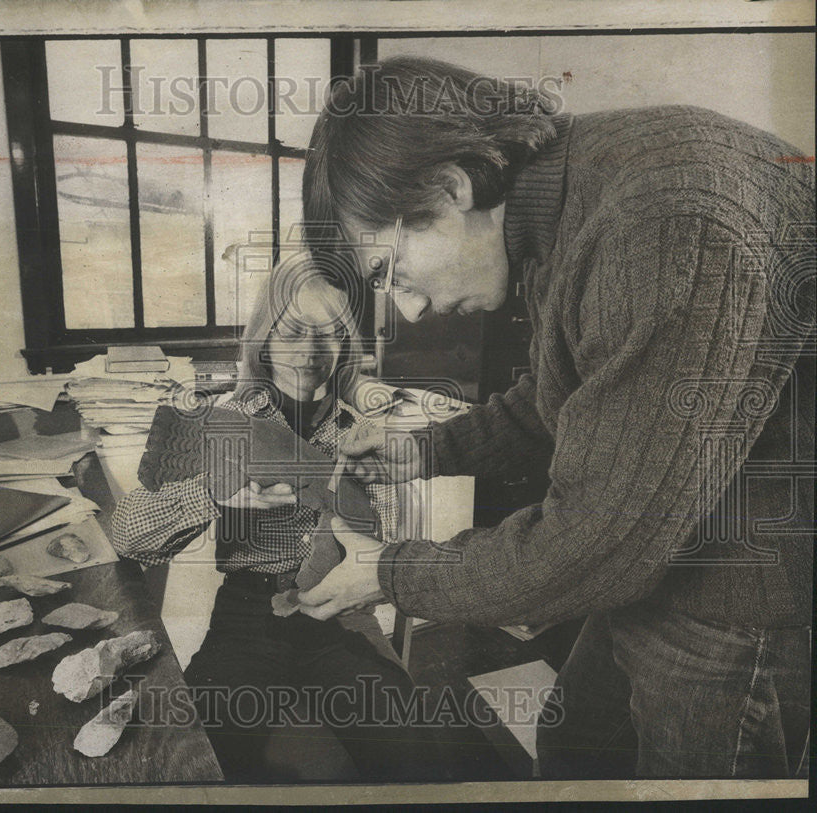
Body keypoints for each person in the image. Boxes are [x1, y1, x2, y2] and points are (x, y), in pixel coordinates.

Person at [295, 56, 815, 778]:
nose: (407, 308)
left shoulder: (662, 223)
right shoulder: (569, 204)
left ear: (450, 187)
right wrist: (419, 452)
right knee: (576, 752)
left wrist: (393, 572)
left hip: (741, 604)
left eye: (390, 271)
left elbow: (593, 545)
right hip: (663, 556)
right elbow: (562, 396)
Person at [111, 257, 490, 783]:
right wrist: (215, 496)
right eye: (290, 332)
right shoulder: (227, 424)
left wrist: (358, 528)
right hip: (245, 617)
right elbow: (128, 537)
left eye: (328, 335)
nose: (309, 353)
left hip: (339, 620)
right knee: (194, 757)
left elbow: (380, 549)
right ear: (263, 340)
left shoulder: (361, 435)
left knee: (416, 753)